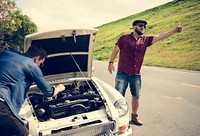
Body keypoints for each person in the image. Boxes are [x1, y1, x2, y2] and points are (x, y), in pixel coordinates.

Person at [108, 20, 182, 126]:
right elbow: (115, 50)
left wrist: (174, 30)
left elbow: (160, 36)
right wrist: (111, 62)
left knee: (136, 96)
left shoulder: (145, 40)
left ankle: (134, 117)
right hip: (122, 73)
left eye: (144, 26)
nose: (143, 27)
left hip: (136, 74)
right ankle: (117, 118)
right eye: (140, 26)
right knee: (119, 96)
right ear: (133, 27)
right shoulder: (124, 38)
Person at [0, 45, 65, 135]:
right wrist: (59, 88)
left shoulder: (6, 53)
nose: (39, 66)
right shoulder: (32, 65)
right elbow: (49, 92)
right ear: (36, 59)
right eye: (41, 64)